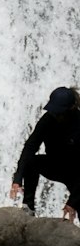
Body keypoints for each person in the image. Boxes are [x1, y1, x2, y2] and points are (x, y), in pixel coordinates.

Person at [10, 86, 80, 221]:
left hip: (77, 173)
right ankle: (28, 207)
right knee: (31, 162)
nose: (55, 115)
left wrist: (72, 202)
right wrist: (17, 179)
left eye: (59, 113)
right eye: (54, 112)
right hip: (55, 165)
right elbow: (30, 147)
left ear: (70, 109)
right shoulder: (48, 119)